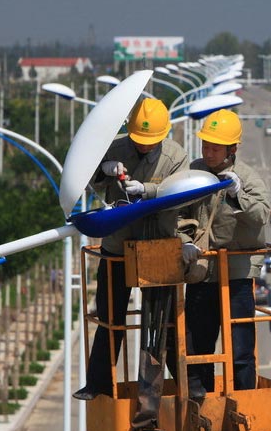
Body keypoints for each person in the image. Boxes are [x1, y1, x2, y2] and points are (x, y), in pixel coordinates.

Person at [73, 98, 188, 400]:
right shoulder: (115, 148)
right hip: (118, 246)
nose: (144, 147)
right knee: (110, 318)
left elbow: (181, 194)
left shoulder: (177, 157)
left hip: (157, 247)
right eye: (140, 141)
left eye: (151, 143)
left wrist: (147, 190)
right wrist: (104, 170)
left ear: (163, 136)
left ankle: (187, 383)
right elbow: (85, 179)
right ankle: (97, 383)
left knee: (165, 322)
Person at [178, 109, 270, 400]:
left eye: (216, 148)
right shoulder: (194, 173)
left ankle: (244, 401)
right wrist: (184, 241)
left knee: (241, 347)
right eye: (206, 146)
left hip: (237, 275)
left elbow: (262, 216)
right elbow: (178, 214)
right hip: (202, 272)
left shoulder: (247, 178)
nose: (209, 152)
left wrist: (237, 195)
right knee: (199, 346)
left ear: (232, 149)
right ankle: (202, 399)